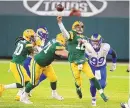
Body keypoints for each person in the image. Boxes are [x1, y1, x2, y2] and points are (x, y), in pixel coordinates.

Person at [57, 16, 108, 102]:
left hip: (83, 61)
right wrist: (60, 23)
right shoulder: (71, 34)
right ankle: (78, 88)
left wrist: (86, 44)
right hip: (73, 62)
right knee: (78, 81)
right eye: (78, 26)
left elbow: (89, 50)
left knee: (92, 77)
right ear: (74, 27)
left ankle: (102, 93)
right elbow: (64, 32)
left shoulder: (84, 38)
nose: (80, 28)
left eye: (81, 26)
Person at [20, 33, 68, 104]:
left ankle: (54, 94)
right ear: (62, 39)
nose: (66, 41)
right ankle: (23, 97)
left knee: (53, 78)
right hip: (37, 63)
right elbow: (63, 53)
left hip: (46, 64)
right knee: (33, 82)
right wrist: (75, 55)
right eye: (65, 39)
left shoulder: (54, 41)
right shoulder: (57, 46)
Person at [15, 26, 49, 101]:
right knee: (30, 80)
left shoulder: (38, 39)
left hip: (34, 61)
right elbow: (33, 49)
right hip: (30, 61)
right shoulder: (35, 39)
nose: (46, 34)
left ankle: (26, 91)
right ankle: (20, 94)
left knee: (41, 76)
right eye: (45, 33)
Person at [0, 29, 35, 97]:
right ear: (27, 37)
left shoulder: (21, 42)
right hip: (17, 64)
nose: (33, 38)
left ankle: (19, 96)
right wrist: (37, 46)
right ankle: (3, 87)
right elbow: (34, 54)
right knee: (22, 84)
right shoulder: (28, 44)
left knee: (28, 81)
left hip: (16, 63)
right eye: (31, 36)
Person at [85, 33, 117, 106]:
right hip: (92, 68)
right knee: (93, 85)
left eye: (96, 41)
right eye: (93, 41)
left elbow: (114, 54)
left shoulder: (105, 47)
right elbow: (84, 58)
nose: (94, 43)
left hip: (102, 68)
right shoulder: (88, 48)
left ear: (100, 41)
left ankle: (104, 84)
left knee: (101, 85)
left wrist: (114, 64)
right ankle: (93, 99)